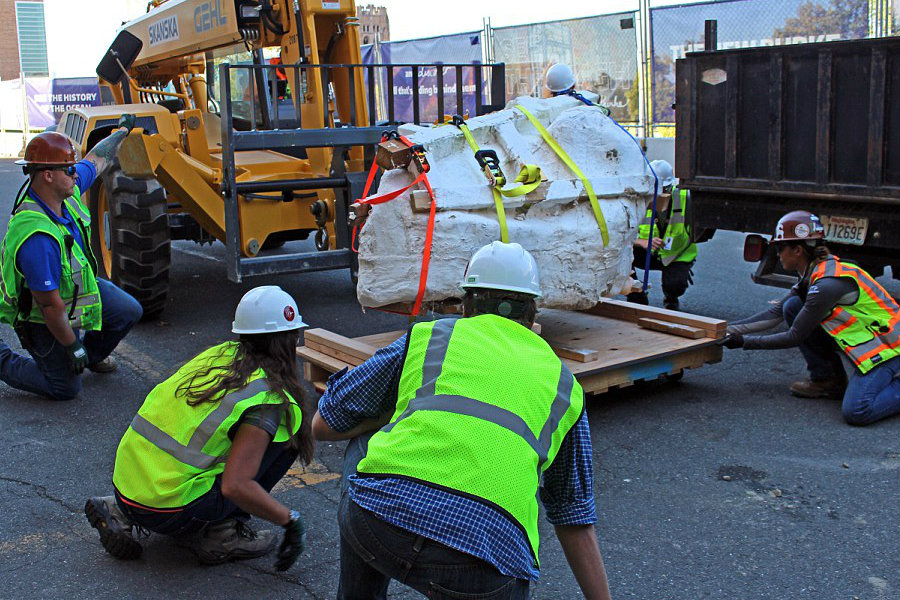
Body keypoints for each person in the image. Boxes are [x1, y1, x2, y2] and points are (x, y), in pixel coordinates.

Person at [313, 241, 612, 600]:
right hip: (484, 562)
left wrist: (393, 415)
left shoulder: (433, 335)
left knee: (366, 445)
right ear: (533, 315)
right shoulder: (565, 385)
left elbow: (324, 423)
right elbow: (573, 516)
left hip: (378, 524)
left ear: (465, 305)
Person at [84, 286, 310, 569]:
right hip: (166, 509)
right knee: (288, 437)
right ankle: (222, 535)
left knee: (218, 442)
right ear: (291, 339)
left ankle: (121, 511)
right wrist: (289, 520)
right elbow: (236, 486)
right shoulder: (266, 399)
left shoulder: (219, 356)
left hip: (127, 482)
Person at [0, 121, 143, 401]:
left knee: (128, 310)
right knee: (64, 388)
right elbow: (49, 306)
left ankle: (89, 357)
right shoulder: (36, 236)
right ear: (48, 175)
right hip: (42, 316)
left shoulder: (68, 193)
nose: (75, 174)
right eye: (69, 170)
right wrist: (71, 345)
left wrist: (121, 133)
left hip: (72, 293)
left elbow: (96, 160)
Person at [723, 211, 900, 426]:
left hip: (891, 349)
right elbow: (776, 313)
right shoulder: (815, 272)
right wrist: (728, 330)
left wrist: (743, 342)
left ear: (797, 250)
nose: (778, 254)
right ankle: (828, 380)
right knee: (792, 306)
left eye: (780, 249)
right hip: (873, 344)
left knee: (857, 410)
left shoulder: (826, 284)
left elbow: (794, 336)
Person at [626, 159, 697, 311]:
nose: (658, 197)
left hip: (675, 255)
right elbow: (620, 235)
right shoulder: (638, 201)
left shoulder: (686, 199)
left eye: (663, 191)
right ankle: (635, 296)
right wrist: (641, 241)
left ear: (672, 187)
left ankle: (671, 297)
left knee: (675, 284)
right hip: (645, 252)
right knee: (622, 257)